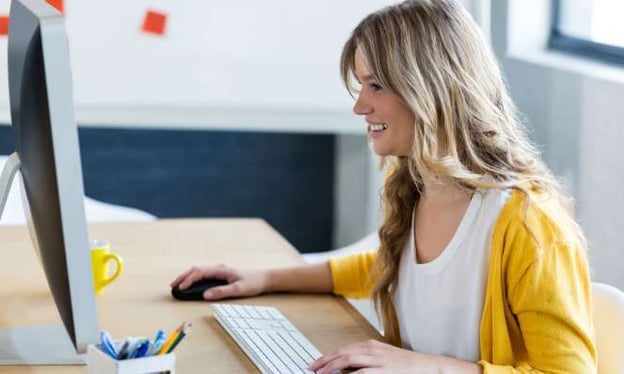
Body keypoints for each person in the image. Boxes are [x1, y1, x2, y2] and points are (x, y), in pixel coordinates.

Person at [171, 0, 597, 372]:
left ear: (432, 87)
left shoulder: (530, 227)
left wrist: (426, 367)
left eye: (376, 85)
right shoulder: (413, 181)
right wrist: (264, 278)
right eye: (360, 86)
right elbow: (396, 270)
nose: (360, 106)